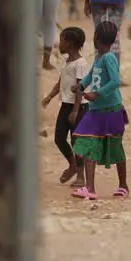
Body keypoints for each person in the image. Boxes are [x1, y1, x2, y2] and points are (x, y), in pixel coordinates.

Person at [71, 21, 130, 200]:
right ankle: (90, 188)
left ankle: (123, 185)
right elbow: (91, 75)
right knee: (90, 145)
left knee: (116, 147)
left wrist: (97, 94)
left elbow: (115, 81)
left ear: (97, 38)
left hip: (111, 110)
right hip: (96, 111)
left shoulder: (109, 58)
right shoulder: (99, 57)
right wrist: (81, 84)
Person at [41, 27, 90, 187]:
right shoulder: (68, 61)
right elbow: (61, 82)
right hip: (66, 105)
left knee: (78, 142)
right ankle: (72, 165)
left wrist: (75, 111)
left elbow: (80, 87)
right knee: (59, 138)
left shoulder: (81, 64)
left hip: (79, 108)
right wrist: (49, 96)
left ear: (70, 43)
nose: (59, 44)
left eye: (62, 40)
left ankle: (81, 177)